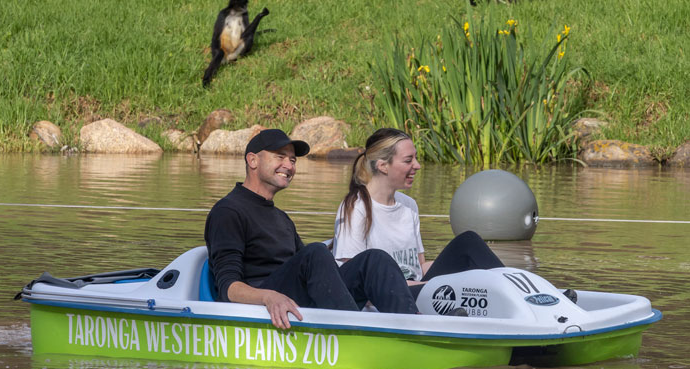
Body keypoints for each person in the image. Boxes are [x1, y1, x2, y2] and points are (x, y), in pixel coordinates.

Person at [205, 129, 418, 329]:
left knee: (374, 260)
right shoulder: (228, 212)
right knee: (315, 252)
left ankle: (414, 330)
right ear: (252, 160)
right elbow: (228, 287)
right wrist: (268, 297)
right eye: (280, 157)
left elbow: (306, 269)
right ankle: (355, 334)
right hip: (263, 304)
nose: (289, 166)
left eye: (292, 160)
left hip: (293, 301)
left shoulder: (281, 218)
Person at [331, 128, 505, 299]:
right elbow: (354, 280)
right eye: (408, 160)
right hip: (386, 298)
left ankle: (513, 290)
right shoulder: (355, 207)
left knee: (468, 243)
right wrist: (442, 286)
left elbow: (419, 267)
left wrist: (465, 272)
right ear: (383, 166)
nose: (417, 165)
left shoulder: (409, 206)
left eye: (416, 158)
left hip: (419, 290)